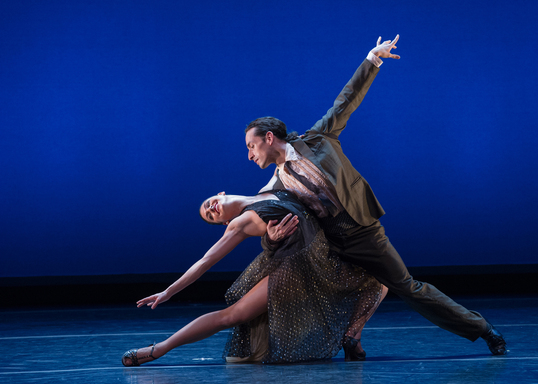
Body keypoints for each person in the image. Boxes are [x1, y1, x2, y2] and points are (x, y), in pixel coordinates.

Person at [244, 35, 507, 355]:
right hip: (326, 246)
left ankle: (482, 329)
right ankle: (347, 339)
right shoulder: (274, 186)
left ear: (269, 137)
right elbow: (263, 224)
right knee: (302, 287)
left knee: (408, 287)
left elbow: (346, 100)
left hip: (360, 232)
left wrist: (373, 60)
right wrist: (271, 240)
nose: (249, 155)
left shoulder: (317, 139)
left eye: (251, 146)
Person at [121, 190, 386, 366]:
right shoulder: (239, 224)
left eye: (208, 204)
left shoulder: (268, 189)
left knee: (381, 277)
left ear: (220, 193)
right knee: (231, 316)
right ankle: (159, 349)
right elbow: (204, 262)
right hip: (293, 271)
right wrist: (168, 292)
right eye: (210, 215)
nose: (211, 208)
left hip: (322, 261)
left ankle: (353, 336)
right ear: (224, 223)